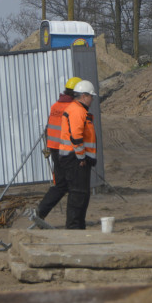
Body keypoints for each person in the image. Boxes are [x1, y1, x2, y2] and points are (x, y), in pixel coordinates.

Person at [34, 76, 81, 220]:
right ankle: (74, 220)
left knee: (61, 185)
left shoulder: (55, 105)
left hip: (55, 149)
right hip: (67, 152)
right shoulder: (72, 108)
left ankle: (41, 211)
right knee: (75, 186)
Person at [56, 79, 97, 229]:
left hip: (76, 158)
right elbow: (77, 137)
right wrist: (81, 157)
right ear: (84, 96)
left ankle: (78, 225)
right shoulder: (77, 111)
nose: (92, 99)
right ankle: (74, 227)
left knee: (81, 194)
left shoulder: (77, 110)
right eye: (91, 96)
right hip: (75, 159)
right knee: (78, 194)